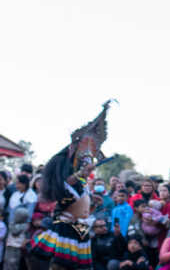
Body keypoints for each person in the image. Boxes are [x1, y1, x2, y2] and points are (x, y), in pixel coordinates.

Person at [33, 100, 114, 269]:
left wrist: (92, 204)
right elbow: (62, 188)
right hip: (65, 228)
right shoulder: (63, 168)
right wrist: (82, 173)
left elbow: (80, 207)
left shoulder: (81, 181)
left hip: (81, 229)